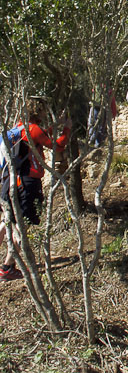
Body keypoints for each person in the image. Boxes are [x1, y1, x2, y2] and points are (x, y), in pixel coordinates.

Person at [0, 100, 71, 281]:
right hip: (27, 183)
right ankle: (8, 267)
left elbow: (37, 137)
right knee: (22, 225)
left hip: (9, 182)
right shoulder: (32, 129)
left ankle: (8, 265)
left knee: (6, 221)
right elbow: (57, 145)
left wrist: (56, 124)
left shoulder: (18, 129)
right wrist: (67, 129)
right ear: (38, 113)